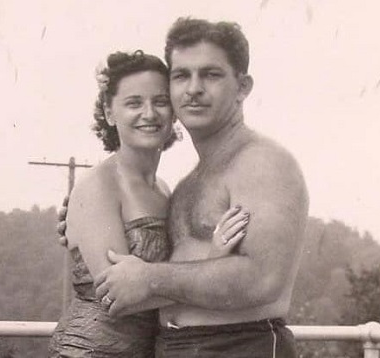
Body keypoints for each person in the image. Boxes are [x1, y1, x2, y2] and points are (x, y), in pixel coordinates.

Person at [93, 18, 310, 357]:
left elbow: (263, 279)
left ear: (242, 87)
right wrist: (79, 218)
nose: (193, 88)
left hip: (240, 346)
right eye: (181, 75)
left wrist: (149, 279)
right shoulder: (188, 182)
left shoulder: (262, 162)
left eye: (211, 74)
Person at [49, 49, 250, 357]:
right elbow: (118, 298)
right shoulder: (98, 186)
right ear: (109, 111)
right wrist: (213, 261)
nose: (149, 113)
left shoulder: (165, 190)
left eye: (160, 101)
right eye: (134, 103)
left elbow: (157, 282)